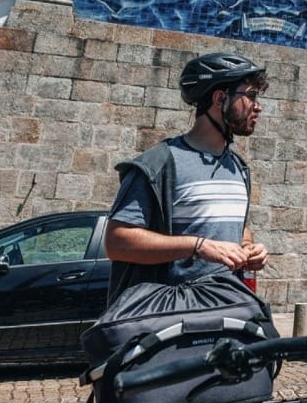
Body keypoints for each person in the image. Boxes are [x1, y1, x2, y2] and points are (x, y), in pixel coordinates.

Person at [103, 52, 270, 303]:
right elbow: (117, 242)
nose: (258, 106)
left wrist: (249, 247)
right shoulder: (160, 164)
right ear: (219, 98)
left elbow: (238, 227)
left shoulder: (238, 167)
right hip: (171, 316)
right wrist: (198, 246)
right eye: (250, 96)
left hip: (227, 309)